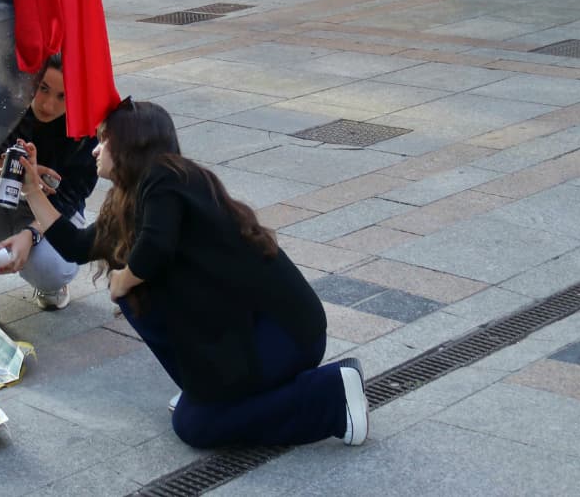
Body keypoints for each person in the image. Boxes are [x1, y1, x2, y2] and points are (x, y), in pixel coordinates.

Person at [18, 100, 369, 450]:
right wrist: (33, 191)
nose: (96, 149)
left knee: (196, 425)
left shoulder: (167, 177)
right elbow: (78, 247)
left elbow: (156, 247)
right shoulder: (136, 196)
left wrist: (123, 279)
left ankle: (331, 395)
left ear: (131, 142)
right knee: (193, 418)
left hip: (282, 333)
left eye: (104, 140)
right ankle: (213, 386)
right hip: (244, 337)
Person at [0, 55, 97, 344]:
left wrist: (31, 233)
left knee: (51, 269)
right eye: (43, 88)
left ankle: (52, 285)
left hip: (49, 214)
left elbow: (73, 196)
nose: (48, 105)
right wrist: (14, 169)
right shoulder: (2, 104)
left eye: (63, 96)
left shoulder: (84, 130)